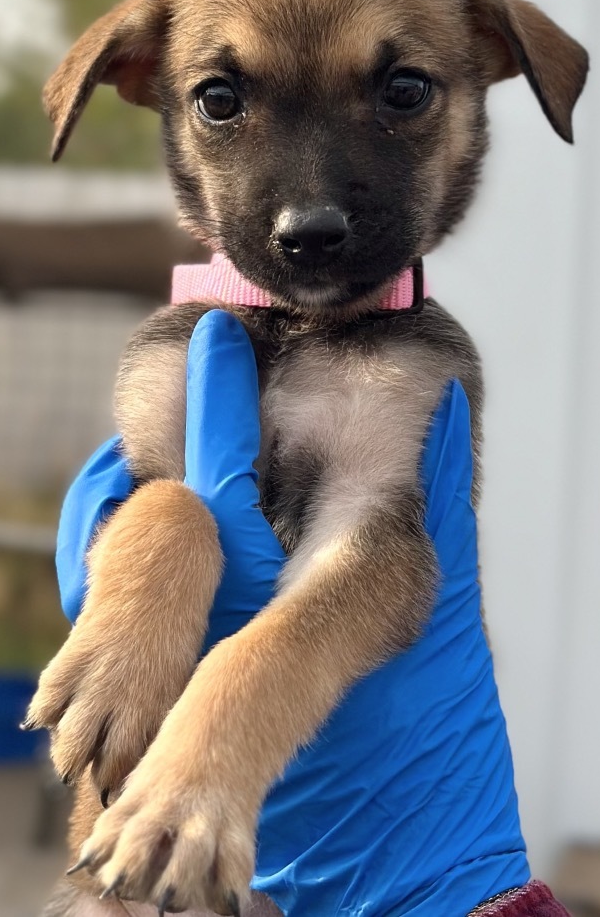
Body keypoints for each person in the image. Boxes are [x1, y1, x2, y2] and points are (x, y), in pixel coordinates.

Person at [55, 310, 568, 916]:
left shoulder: (412, 350)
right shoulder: (176, 340)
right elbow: (150, 492)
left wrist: (223, 741)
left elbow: (375, 559)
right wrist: (146, 566)